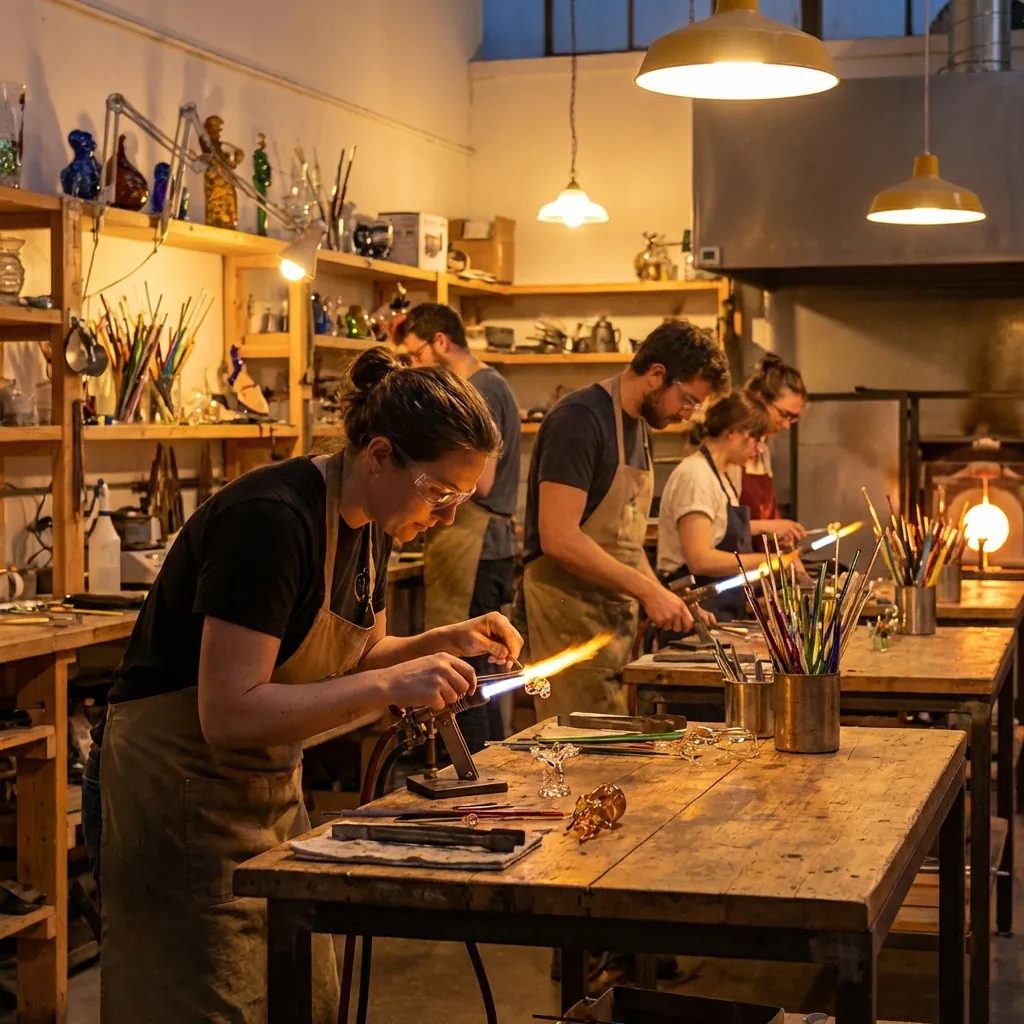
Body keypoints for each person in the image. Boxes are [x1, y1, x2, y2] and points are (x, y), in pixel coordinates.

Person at [83, 347, 523, 1024]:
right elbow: (228, 713)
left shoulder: (373, 524)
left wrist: (442, 641)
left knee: (304, 993)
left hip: (265, 793)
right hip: (178, 793)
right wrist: (392, 687)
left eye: (461, 499)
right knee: (201, 1002)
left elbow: (364, 654)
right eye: (440, 493)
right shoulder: (269, 521)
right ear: (380, 455)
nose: (446, 517)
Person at [522, 320, 729, 721]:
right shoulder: (579, 420)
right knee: (579, 749)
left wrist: (669, 597)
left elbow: (625, 545)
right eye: (687, 400)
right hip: (567, 616)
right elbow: (559, 537)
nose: (688, 415)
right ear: (656, 375)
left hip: (611, 617)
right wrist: (648, 594)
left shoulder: (638, 426)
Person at [400, 303, 521, 751]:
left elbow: (479, 481)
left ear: (441, 343)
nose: (412, 366)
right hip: (484, 545)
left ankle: (476, 780)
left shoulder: (479, 390)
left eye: (414, 355)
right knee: (475, 679)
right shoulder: (489, 384)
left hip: (478, 546)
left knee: (467, 682)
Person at [657, 392, 775, 620]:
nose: (759, 449)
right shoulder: (696, 476)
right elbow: (700, 559)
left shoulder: (722, 476)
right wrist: (768, 561)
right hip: (697, 611)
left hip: (722, 607)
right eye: (756, 439)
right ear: (734, 433)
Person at [728, 354, 807, 544]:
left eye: (793, 418)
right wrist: (770, 527)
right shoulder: (731, 450)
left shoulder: (763, 450)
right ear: (760, 399)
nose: (787, 425)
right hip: (738, 564)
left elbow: (769, 514)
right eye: (784, 414)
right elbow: (721, 527)